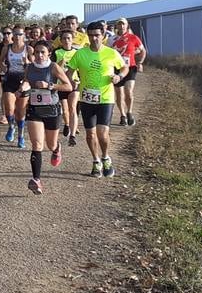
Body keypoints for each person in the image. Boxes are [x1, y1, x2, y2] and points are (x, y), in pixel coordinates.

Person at [66, 21, 126, 178]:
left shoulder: (111, 53)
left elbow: (124, 67)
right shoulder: (80, 54)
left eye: (97, 35)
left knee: (102, 133)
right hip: (86, 98)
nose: (94, 39)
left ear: (103, 35)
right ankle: (96, 160)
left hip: (106, 97)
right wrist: (72, 81)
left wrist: (119, 76)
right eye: (91, 35)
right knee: (90, 134)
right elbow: (69, 71)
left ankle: (106, 157)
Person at [20, 41, 73, 193]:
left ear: (49, 53)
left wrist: (50, 86)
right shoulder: (29, 67)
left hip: (51, 110)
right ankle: (36, 180)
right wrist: (22, 88)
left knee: (50, 145)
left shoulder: (53, 67)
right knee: (37, 144)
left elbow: (68, 86)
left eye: (42, 52)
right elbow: (26, 82)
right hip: (34, 110)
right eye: (36, 52)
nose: (39, 55)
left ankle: (57, 149)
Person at [111, 18, 147, 126]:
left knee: (128, 91)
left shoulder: (133, 38)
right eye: (119, 24)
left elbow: (143, 50)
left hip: (130, 67)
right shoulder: (111, 40)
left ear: (127, 26)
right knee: (119, 94)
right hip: (117, 68)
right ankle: (122, 115)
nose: (121, 26)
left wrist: (140, 62)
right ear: (116, 26)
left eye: (123, 24)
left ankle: (129, 112)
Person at [1, 26, 30, 148]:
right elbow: (0, 61)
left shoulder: (28, 49)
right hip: (10, 81)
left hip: (23, 82)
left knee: (21, 112)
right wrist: (2, 66)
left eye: (20, 34)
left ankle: (21, 136)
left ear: (24, 35)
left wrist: (27, 62)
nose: (18, 37)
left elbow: (33, 67)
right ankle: (11, 126)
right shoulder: (7, 48)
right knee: (9, 108)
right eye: (16, 34)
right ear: (13, 35)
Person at [54, 29, 82, 147]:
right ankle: (66, 124)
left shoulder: (78, 53)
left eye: (69, 38)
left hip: (74, 84)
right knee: (65, 109)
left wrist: (79, 81)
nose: (66, 40)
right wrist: (61, 63)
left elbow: (82, 69)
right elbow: (52, 69)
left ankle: (72, 136)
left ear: (72, 40)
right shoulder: (56, 52)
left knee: (72, 107)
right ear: (61, 40)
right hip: (61, 84)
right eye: (64, 38)